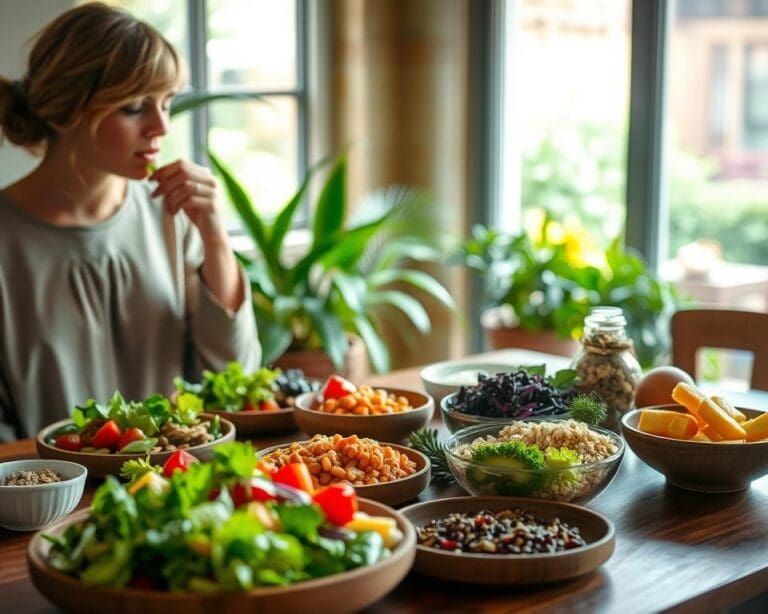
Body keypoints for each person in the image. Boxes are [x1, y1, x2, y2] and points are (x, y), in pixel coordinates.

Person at [0, 3, 260, 441]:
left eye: (168, 101)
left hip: (172, 489)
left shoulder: (171, 215)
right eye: (136, 107)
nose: (162, 125)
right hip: (46, 503)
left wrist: (215, 239)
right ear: (69, 108)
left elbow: (234, 375)